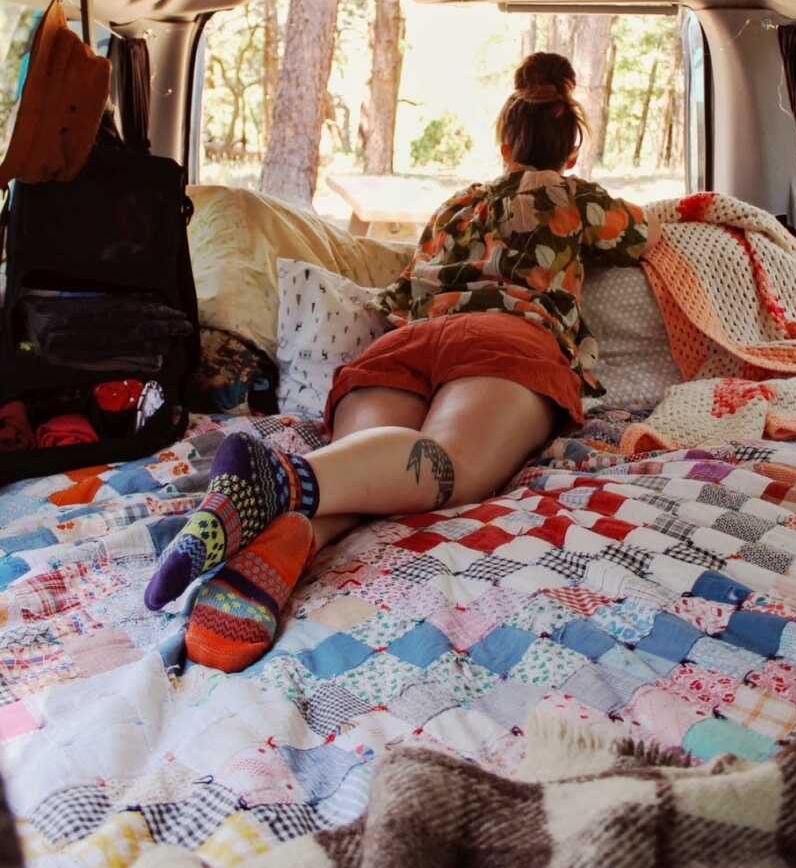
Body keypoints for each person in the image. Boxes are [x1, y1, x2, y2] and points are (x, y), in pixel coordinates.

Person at [145, 51, 658, 671]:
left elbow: (408, 283)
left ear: (504, 140)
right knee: (450, 467)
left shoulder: (457, 206)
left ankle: (280, 548)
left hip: (405, 344)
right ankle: (280, 479)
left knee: (362, 475)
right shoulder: (578, 199)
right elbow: (644, 236)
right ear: (571, 151)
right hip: (506, 338)